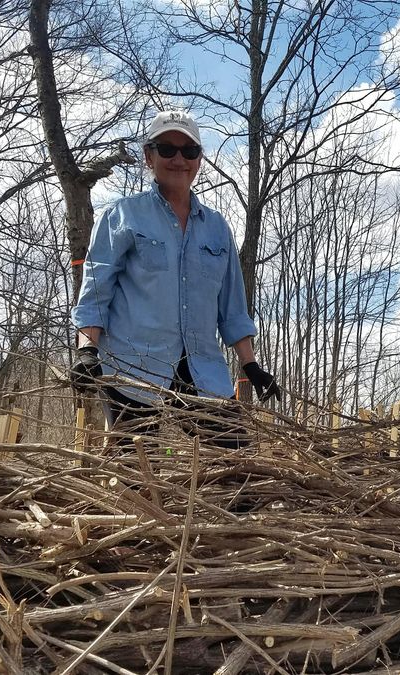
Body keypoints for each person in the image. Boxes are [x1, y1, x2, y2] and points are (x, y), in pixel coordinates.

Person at [70, 109, 281, 447]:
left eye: (189, 150)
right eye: (166, 149)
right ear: (148, 157)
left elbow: (232, 309)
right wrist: (86, 352)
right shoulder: (121, 216)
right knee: (139, 468)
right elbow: (96, 293)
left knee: (237, 462)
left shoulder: (216, 228)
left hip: (201, 369)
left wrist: (251, 366)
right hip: (132, 366)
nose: (178, 159)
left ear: (199, 160)